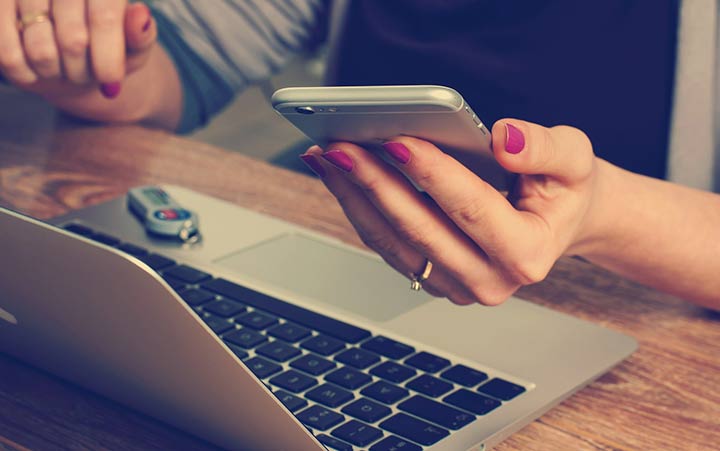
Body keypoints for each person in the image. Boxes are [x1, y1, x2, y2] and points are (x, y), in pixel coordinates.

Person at [1, 1, 718, 307]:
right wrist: (88, 53)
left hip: (647, 339)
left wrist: (602, 214)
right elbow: (179, 65)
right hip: (348, 269)